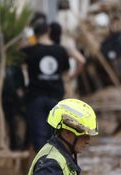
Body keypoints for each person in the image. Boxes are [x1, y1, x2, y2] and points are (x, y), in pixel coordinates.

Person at [22, 20, 70, 151]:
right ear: (48, 31)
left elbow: (17, 61)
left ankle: (43, 166)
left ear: (35, 33)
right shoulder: (60, 51)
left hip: (35, 97)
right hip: (56, 97)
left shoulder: (29, 51)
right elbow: (66, 74)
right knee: (55, 135)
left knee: (39, 137)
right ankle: (53, 165)